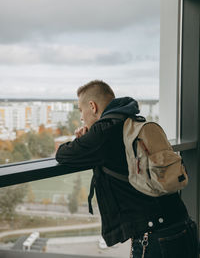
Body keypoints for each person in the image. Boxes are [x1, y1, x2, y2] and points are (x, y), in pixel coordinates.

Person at [56, 80, 198, 258]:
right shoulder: (133, 121)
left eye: (80, 110)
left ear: (92, 106)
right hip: (183, 223)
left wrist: (82, 138)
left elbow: (63, 154)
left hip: (155, 236)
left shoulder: (104, 131)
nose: (82, 117)